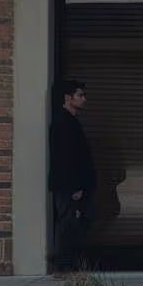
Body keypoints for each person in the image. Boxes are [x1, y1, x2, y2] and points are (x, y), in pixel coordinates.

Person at [48, 79, 96, 273]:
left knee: (73, 225)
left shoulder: (70, 121)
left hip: (74, 186)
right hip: (69, 187)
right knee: (67, 225)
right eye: (80, 95)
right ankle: (64, 265)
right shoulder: (63, 123)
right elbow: (64, 158)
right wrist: (75, 187)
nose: (84, 99)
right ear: (68, 98)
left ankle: (69, 263)